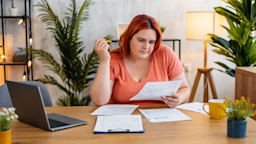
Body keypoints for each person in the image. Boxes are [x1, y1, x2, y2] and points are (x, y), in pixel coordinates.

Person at [90, 14, 190, 108]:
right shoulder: (113, 59)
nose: (146, 47)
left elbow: (184, 89)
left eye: (151, 42)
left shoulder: (166, 54)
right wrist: (104, 61)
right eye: (141, 40)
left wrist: (178, 99)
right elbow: (99, 100)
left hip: (159, 119)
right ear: (129, 38)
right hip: (122, 119)